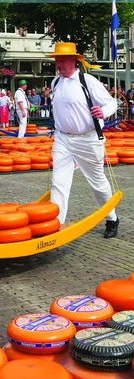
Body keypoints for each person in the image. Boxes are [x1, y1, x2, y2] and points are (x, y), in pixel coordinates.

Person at [47, 42, 119, 239]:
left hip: (87, 139)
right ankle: (56, 225)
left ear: (73, 60)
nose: (58, 63)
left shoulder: (87, 81)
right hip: (62, 139)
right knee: (58, 182)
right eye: (56, 60)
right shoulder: (55, 82)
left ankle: (111, 217)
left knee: (97, 182)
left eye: (61, 60)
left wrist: (102, 111)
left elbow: (112, 102)